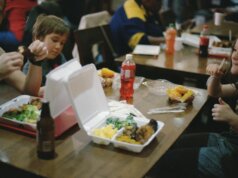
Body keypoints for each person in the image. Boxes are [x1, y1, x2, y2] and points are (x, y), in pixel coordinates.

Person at [145, 39, 238, 178]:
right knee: (165, 146)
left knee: (158, 162)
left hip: (232, 160)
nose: (234, 56)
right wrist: (215, 77)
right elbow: (215, 92)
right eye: (235, 50)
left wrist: (233, 119)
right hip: (228, 141)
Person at [23, 14, 70, 89]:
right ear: (38, 37)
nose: (58, 46)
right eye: (54, 40)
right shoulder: (30, 68)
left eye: (62, 43)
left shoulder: (60, 57)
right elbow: (30, 93)